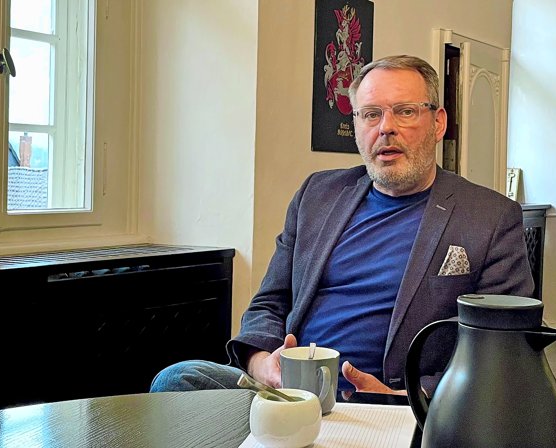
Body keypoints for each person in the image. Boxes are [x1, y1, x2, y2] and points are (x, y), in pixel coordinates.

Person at [151, 55, 533, 397]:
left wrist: (407, 397)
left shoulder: (489, 217)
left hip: (393, 404)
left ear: (438, 123)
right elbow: (270, 301)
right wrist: (263, 364)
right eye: (371, 114)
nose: (386, 128)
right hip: (287, 394)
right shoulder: (317, 195)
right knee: (178, 379)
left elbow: (502, 348)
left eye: (405, 112)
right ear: (356, 125)